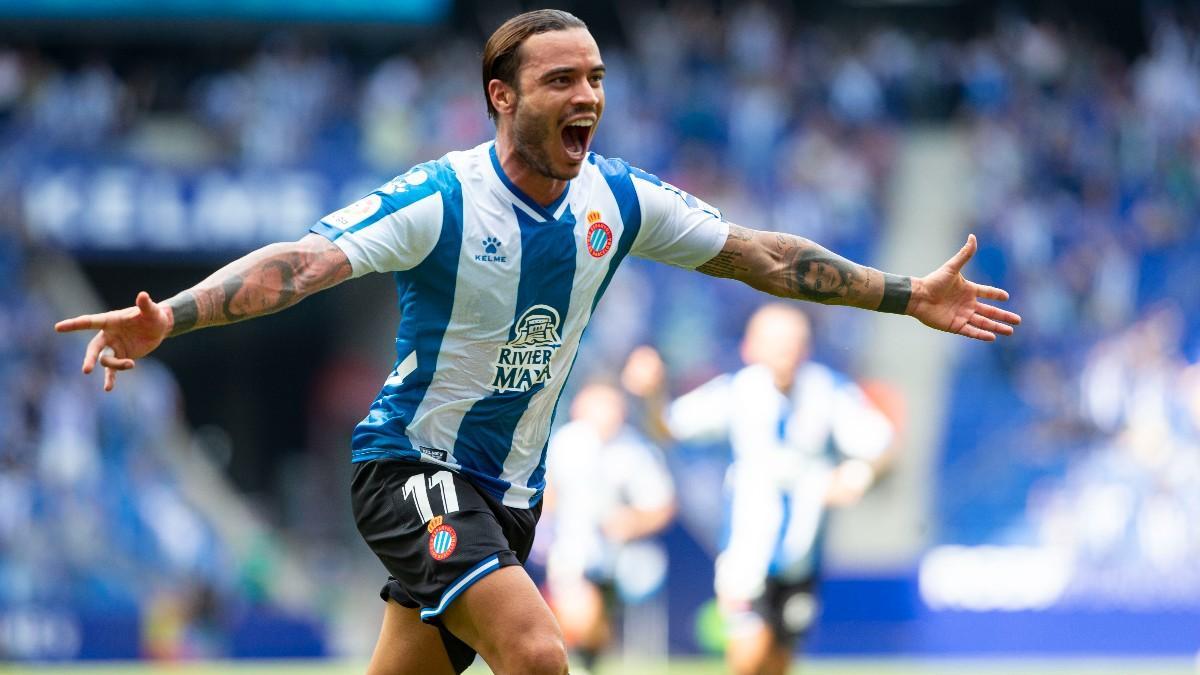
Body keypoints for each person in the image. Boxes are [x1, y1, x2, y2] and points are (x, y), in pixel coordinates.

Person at [54, 9, 1020, 675]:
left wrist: (904, 294)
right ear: (501, 98)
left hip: (511, 494)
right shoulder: (440, 199)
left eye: (596, 77)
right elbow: (300, 266)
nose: (587, 96)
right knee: (539, 651)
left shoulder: (617, 198)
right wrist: (170, 317)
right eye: (561, 79)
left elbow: (758, 254)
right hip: (410, 466)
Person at [624, 304, 896, 675]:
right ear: (751, 348)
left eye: (795, 341)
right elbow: (668, 428)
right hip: (745, 557)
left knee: (777, 664)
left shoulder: (828, 391)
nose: (787, 350)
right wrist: (653, 393)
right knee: (749, 659)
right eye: (776, 341)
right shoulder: (739, 391)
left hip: (802, 557)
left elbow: (881, 445)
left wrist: (857, 475)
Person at [541, 381, 676, 674]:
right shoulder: (564, 444)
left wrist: (632, 521)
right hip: (572, 550)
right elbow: (543, 494)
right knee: (581, 615)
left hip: (619, 557)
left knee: (598, 628)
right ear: (580, 408)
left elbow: (661, 506)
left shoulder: (635, 450)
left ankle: (586, 663)